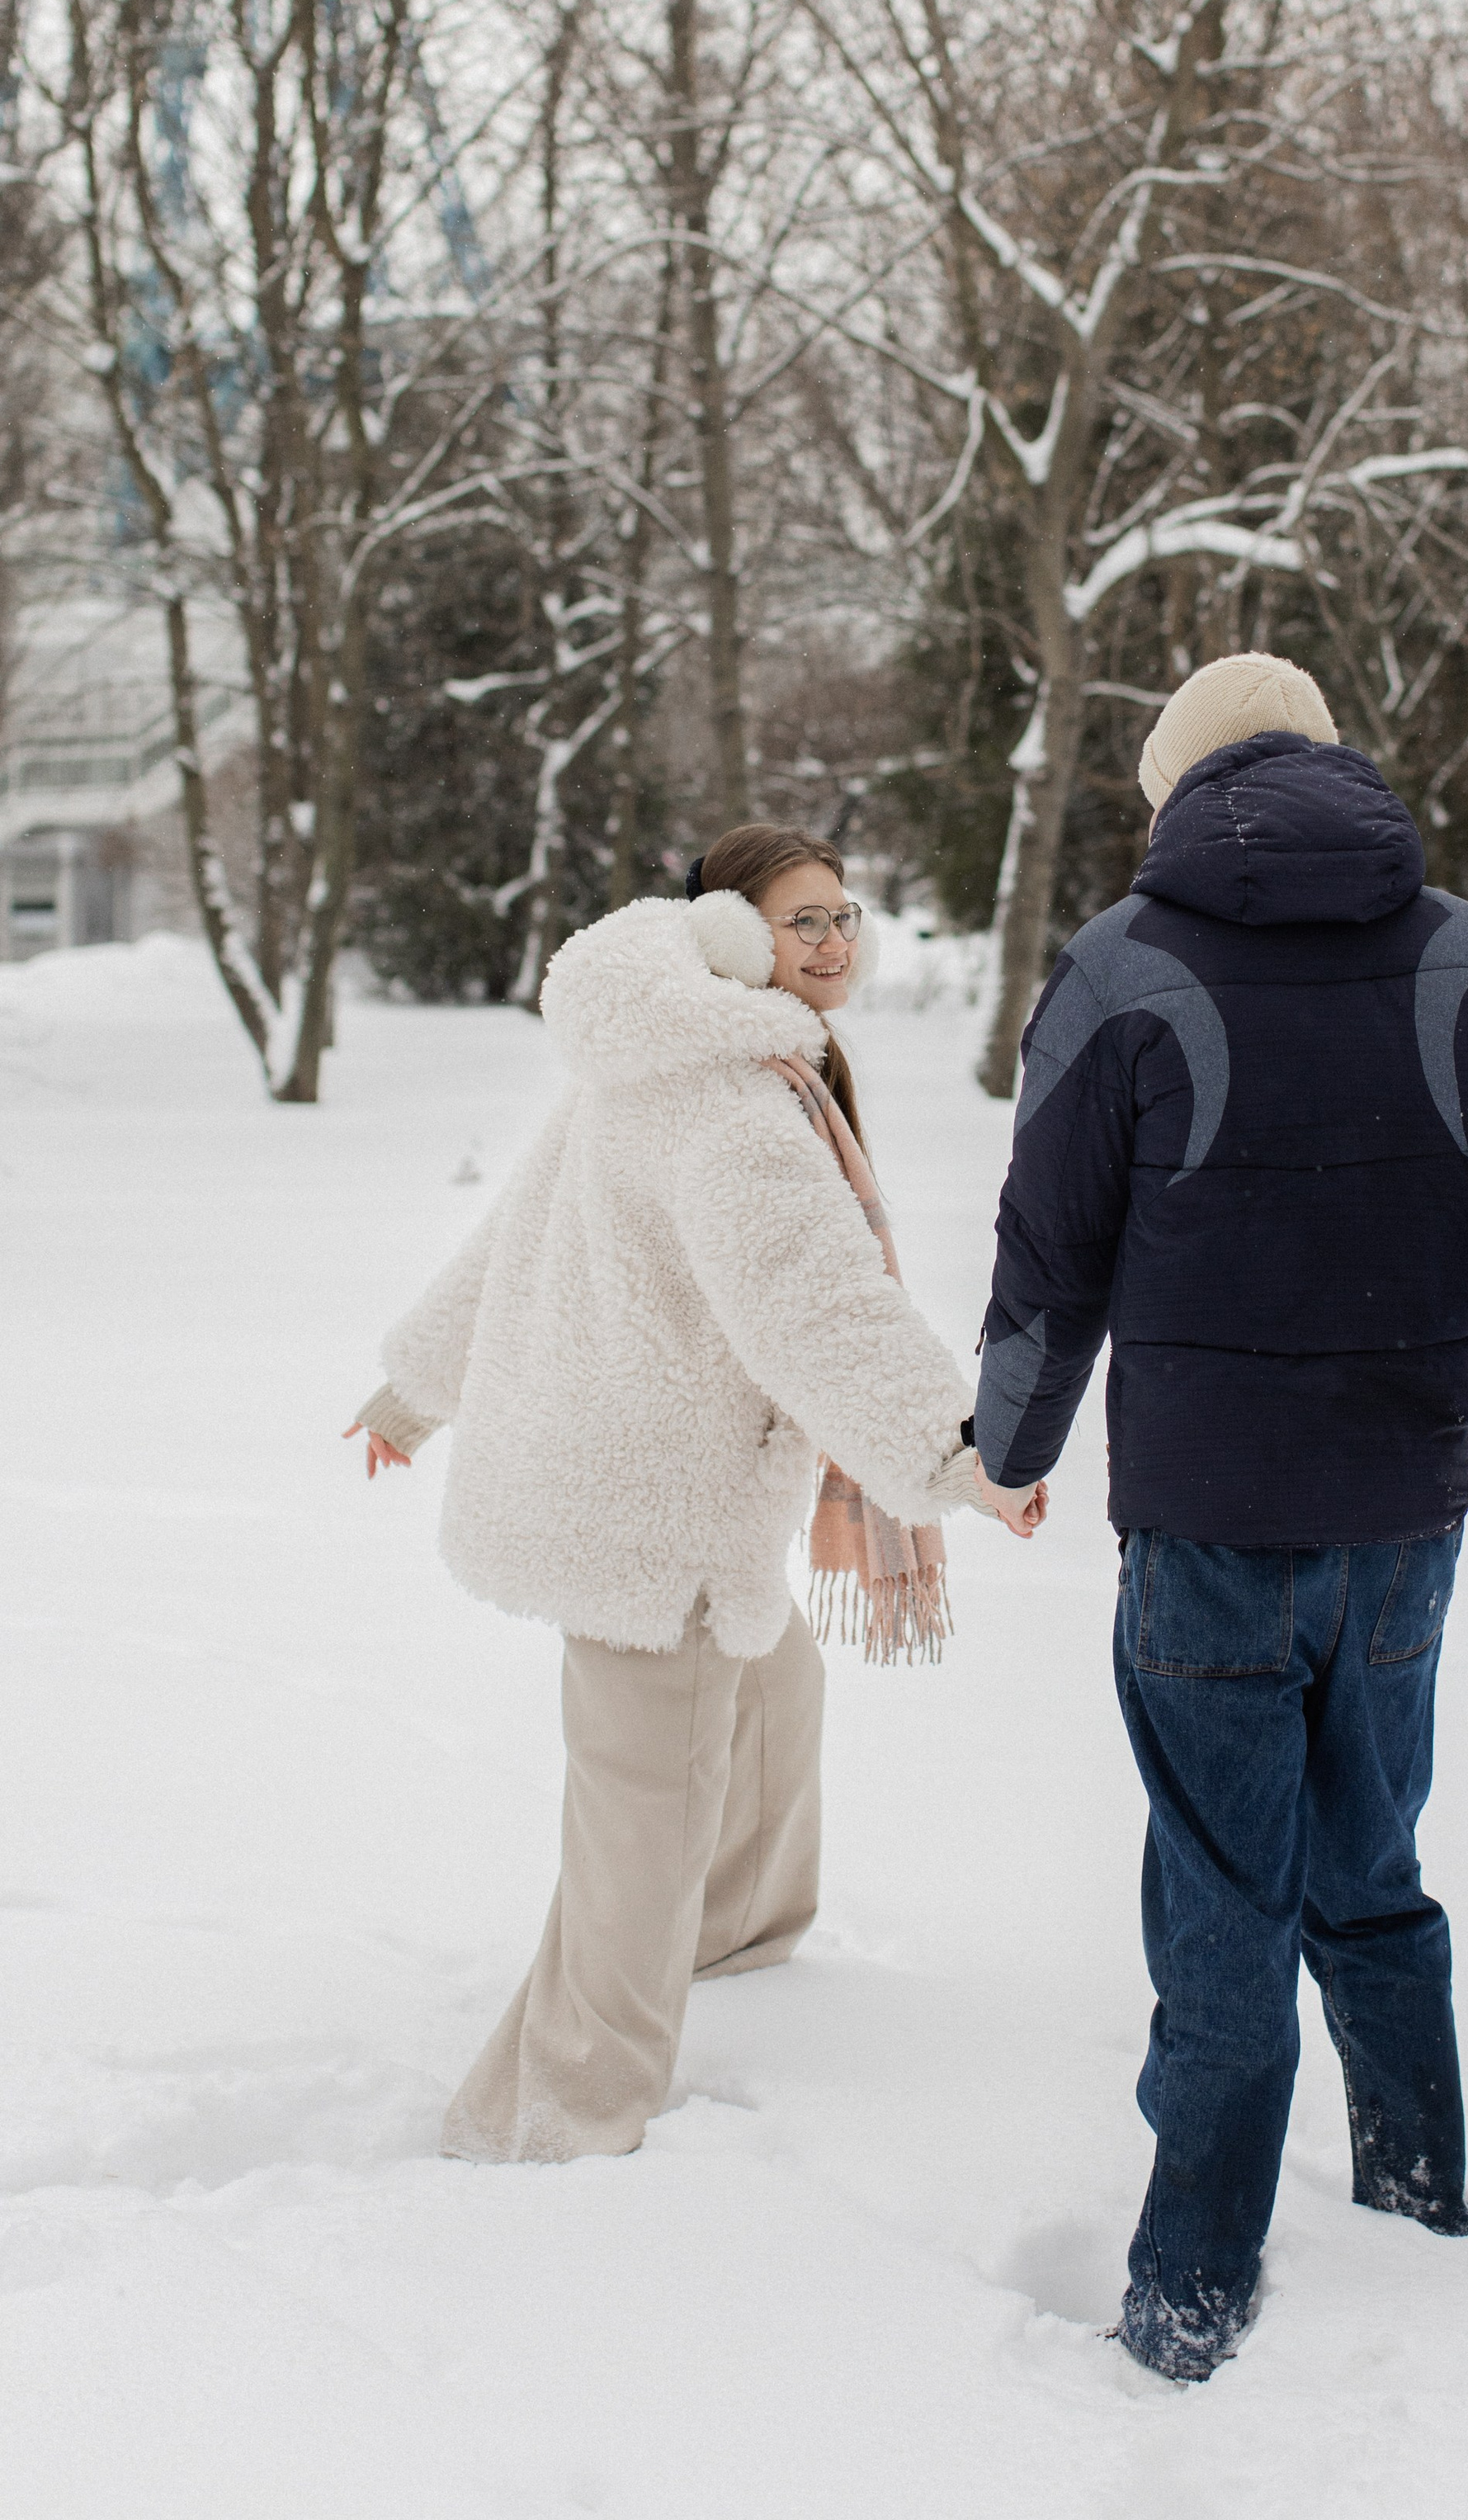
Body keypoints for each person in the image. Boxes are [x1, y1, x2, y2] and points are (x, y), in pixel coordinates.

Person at [970, 656, 1468, 2381]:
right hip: (1397, 1522)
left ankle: (1190, 2292)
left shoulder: (1122, 961)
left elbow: (1045, 1250)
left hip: (1207, 1532)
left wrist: (1007, 1441)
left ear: (1177, 792)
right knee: (1367, 1868)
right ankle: (1417, 2204)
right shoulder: (1465, 956)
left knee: (1225, 1898)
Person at [346, 825, 1037, 2164]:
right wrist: (957, 1456)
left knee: (774, 1681)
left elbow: (510, 1236)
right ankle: (561, 2104)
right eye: (800, 922)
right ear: (725, 944)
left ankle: (741, 1929)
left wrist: (411, 1394)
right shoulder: (730, 1095)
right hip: (640, 1507)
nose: (833, 941)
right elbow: (810, 1302)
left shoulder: (675, 1064)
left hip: (645, 1473)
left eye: (845, 915)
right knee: (644, 1793)